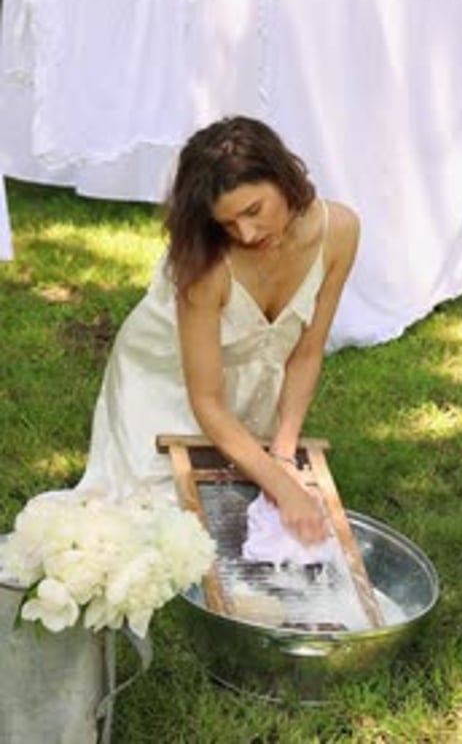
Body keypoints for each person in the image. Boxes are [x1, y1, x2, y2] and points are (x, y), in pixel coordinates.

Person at [78, 116, 360, 546]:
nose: (246, 233)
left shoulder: (339, 232)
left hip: (245, 378)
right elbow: (206, 401)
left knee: (241, 511)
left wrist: (282, 456)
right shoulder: (205, 264)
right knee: (155, 526)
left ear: (284, 178)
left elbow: (305, 352)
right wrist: (284, 488)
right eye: (228, 223)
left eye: (253, 211)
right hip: (167, 377)